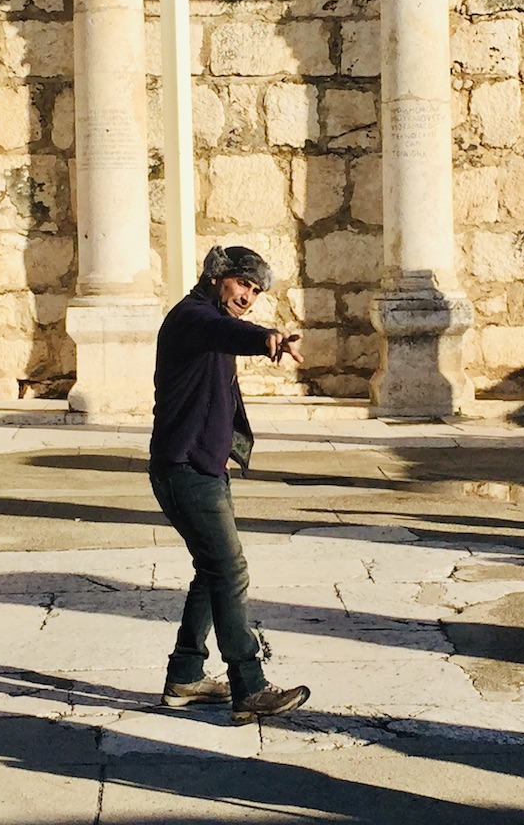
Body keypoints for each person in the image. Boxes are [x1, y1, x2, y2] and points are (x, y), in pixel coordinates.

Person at [149, 243, 311, 725]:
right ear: (218, 277)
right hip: (186, 469)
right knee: (230, 569)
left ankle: (185, 676)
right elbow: (224, 331)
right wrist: (268, 338)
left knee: (212, 569)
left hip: (201, 467)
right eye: (243, 284)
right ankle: (250, 686)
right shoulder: (193, 317)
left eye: (256, 291)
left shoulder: (208, 318)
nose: (248, 297)